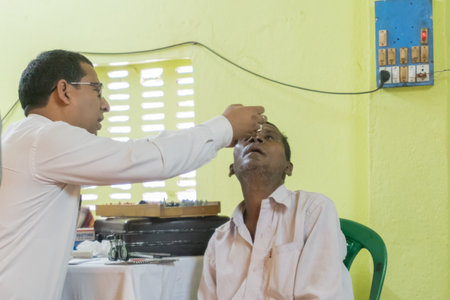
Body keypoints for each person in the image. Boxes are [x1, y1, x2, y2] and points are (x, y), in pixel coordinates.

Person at [0, 49, 266, 300]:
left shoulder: (22, 138)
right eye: (97, 90)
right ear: (64, 91)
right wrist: (224, 127)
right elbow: (142, 158)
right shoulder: (44, 139)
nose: (105, 105)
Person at [198, 122, 354, 299]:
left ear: (288, 167)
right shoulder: (219, 241)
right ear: (233, 168)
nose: (256, 138)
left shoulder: (314, 210)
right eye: (247, 138)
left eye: (269, 137)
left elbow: (320, 295)